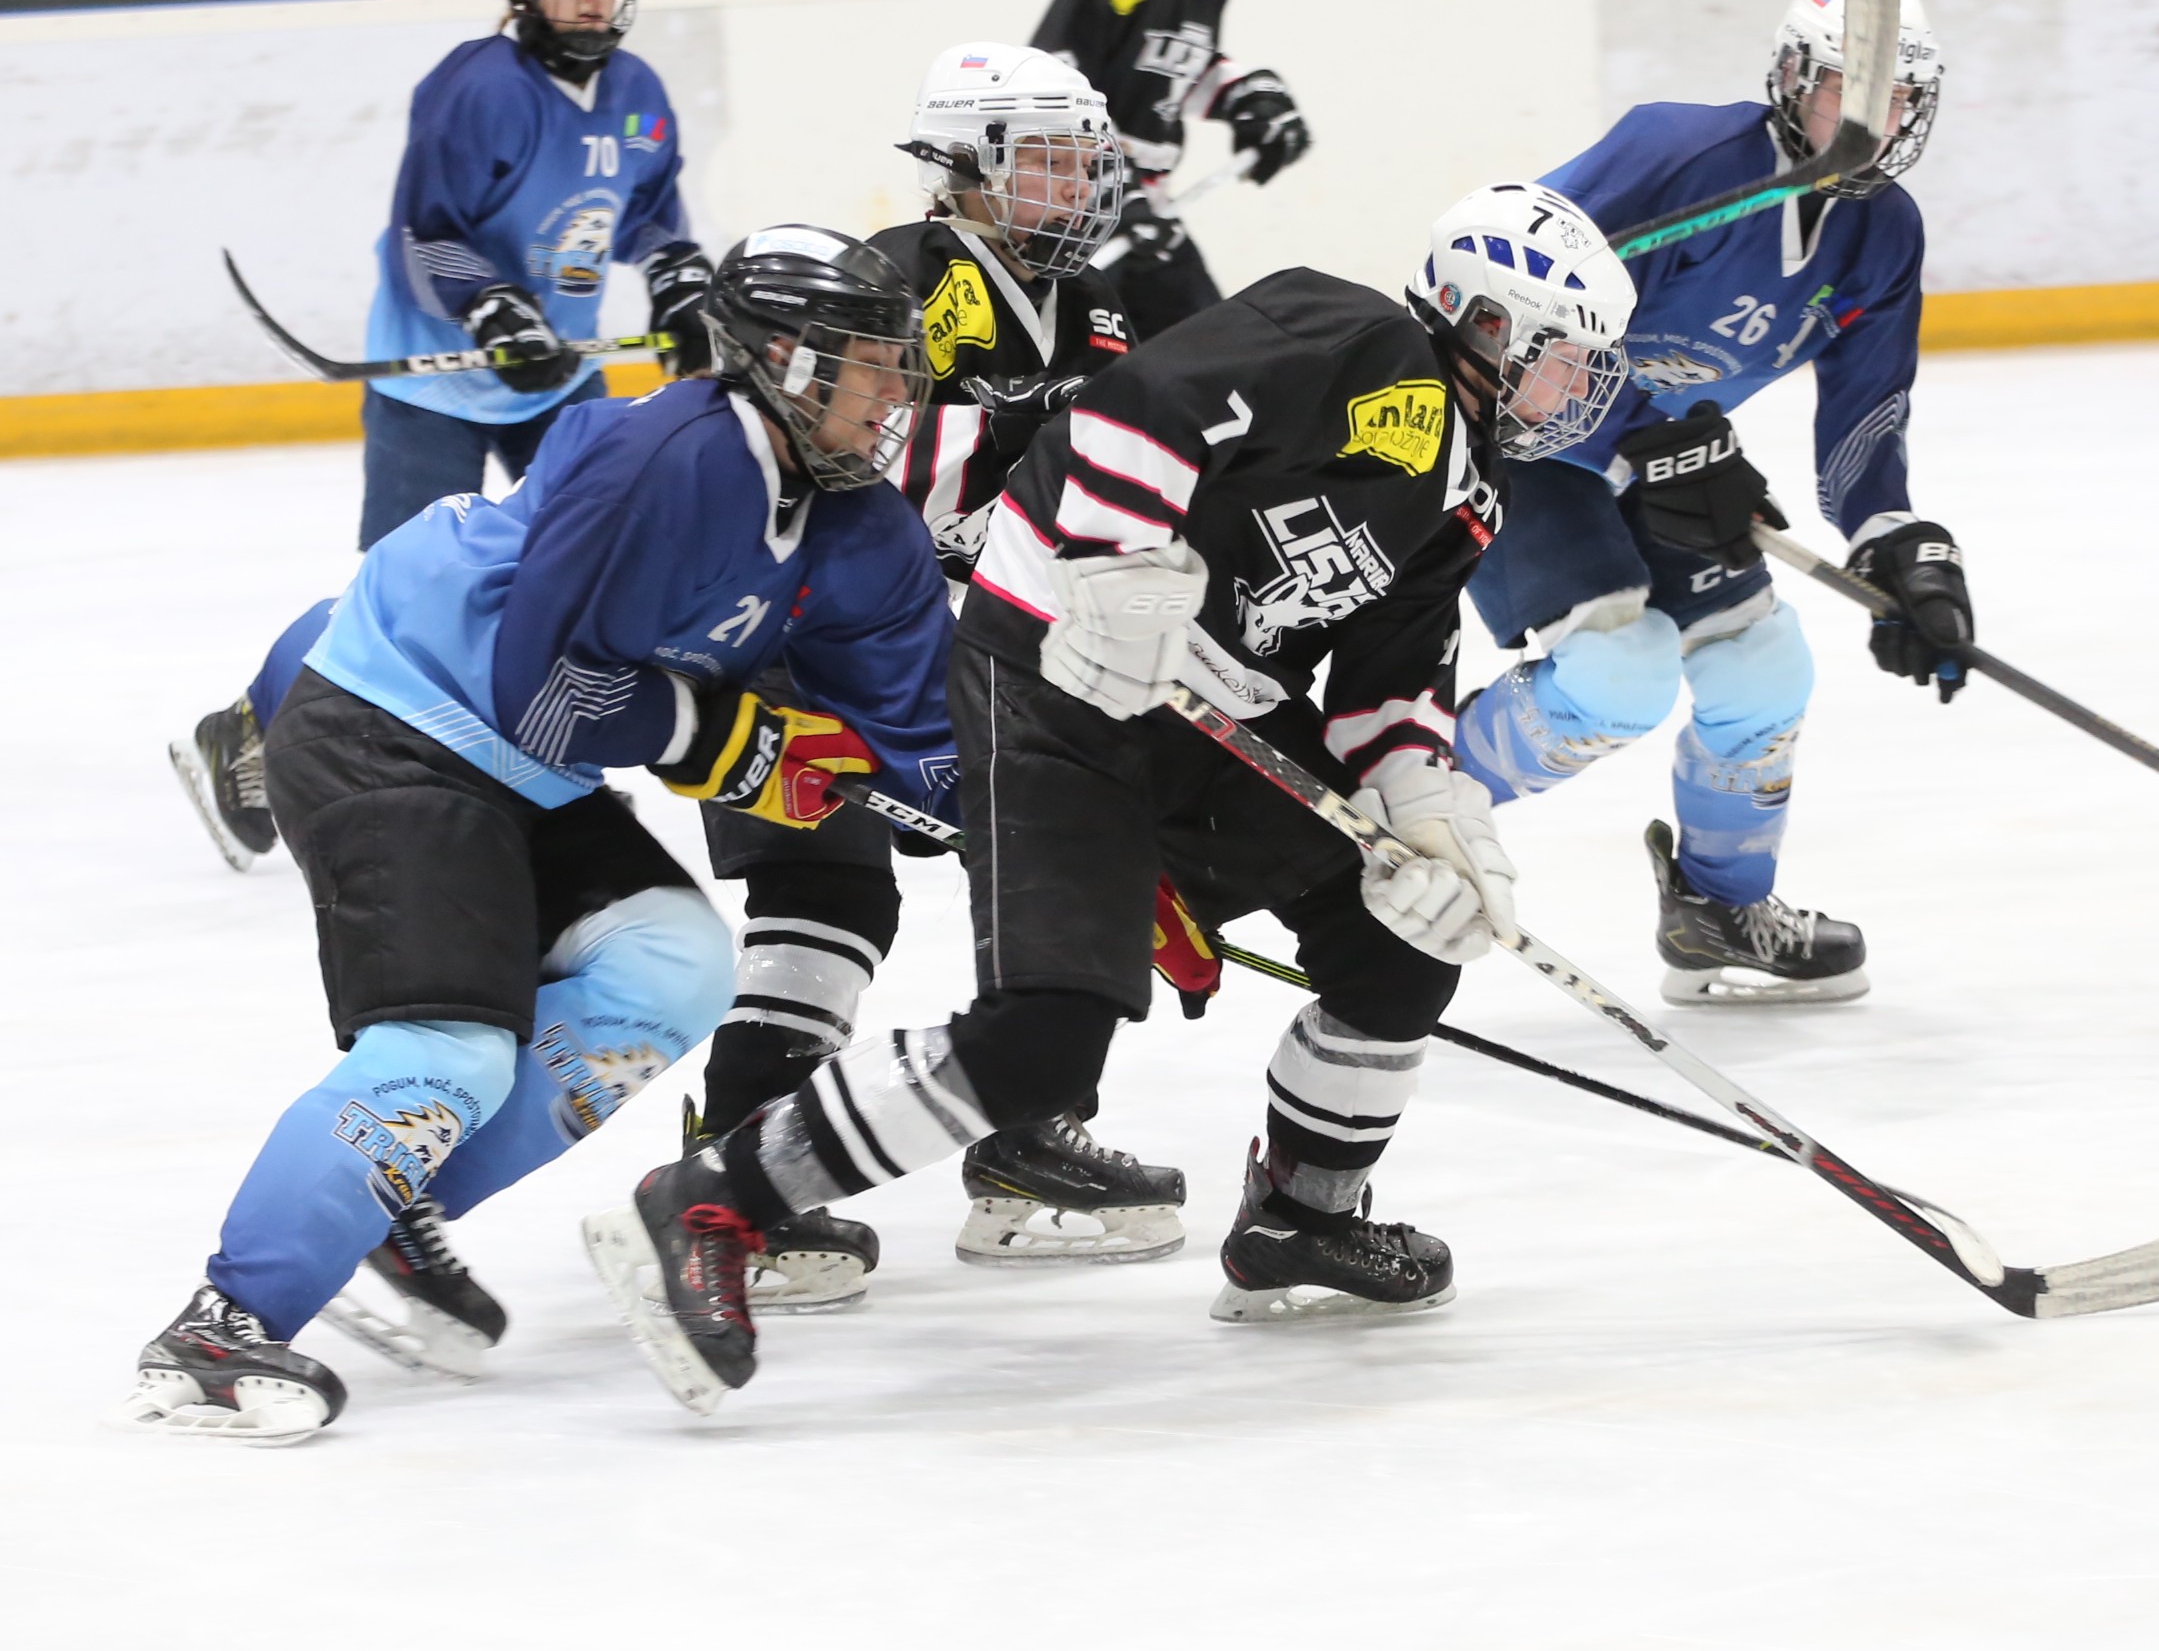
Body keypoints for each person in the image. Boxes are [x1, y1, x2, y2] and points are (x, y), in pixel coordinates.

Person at [584, 182, 1637, 1412]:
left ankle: (1299, 1218)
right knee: (1042, 1037)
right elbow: (1136, 408)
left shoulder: (1468, 493)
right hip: (1051, 672)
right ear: (1487, 323)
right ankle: (711, 1198)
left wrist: (1426, 799)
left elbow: (1389, 680)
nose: (1581, 390)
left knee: (1392, 941)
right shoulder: (1352, 336)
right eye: (1566, 358)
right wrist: (1116, 566)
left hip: (1204, 718)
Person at [120, 228, 954, 1444]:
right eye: (867, 363)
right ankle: (220, 1329)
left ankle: (391, 1210)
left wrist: (1056, 837)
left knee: (675, 968)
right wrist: (736, 745)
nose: (893, 396)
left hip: (521, 764)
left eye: (897, 364)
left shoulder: (857, 523)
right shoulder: (666, 455)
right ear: (778, 359)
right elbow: (545, 691)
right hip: (393, 717)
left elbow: (920, 736)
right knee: (449, 1053)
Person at [680, 40, 1192, 1303]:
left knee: (1044, 881)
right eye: (1054, 161)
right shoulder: (896, 284)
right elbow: (838, 448)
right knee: (827, 902)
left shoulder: (1098, 305)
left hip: (981, 652)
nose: (1083, 185)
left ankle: (1025, 1145)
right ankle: (736, 1167)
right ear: (968, 166)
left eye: (1089, 160)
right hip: (810, 638)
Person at [169, 0, 713, 876]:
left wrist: (680, 285)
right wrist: (498, 313)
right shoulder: (478, 87)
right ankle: (247, 732)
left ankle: (552, 739)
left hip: (561, 382)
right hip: (440, 383)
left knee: (596, 559)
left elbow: (651, 214)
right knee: (399, 590)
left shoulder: (637, 90)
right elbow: (428, 231)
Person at [1453, 0, 1968, 1006]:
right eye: (1841, 90)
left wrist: (1896, 538)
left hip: (1663, 454)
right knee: (1619, 673)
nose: (1872, 118)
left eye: (1898, 98)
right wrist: (1652, 442)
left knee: (1764, 671)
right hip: (1514, 439)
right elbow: (1500, 307)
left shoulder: (1885, 234)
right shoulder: (1675, 155)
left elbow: (1866, 415)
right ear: (1787, 79)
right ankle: (1393, 808)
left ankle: (1718, 909)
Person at [1032, 0, 1310, 338]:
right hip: (1075, 208)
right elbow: (1052, 78)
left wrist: (1246, 99)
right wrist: (1106, 184)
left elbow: (1184, 68)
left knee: (1205, 351)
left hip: (1142, 204)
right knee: (1198, 352)